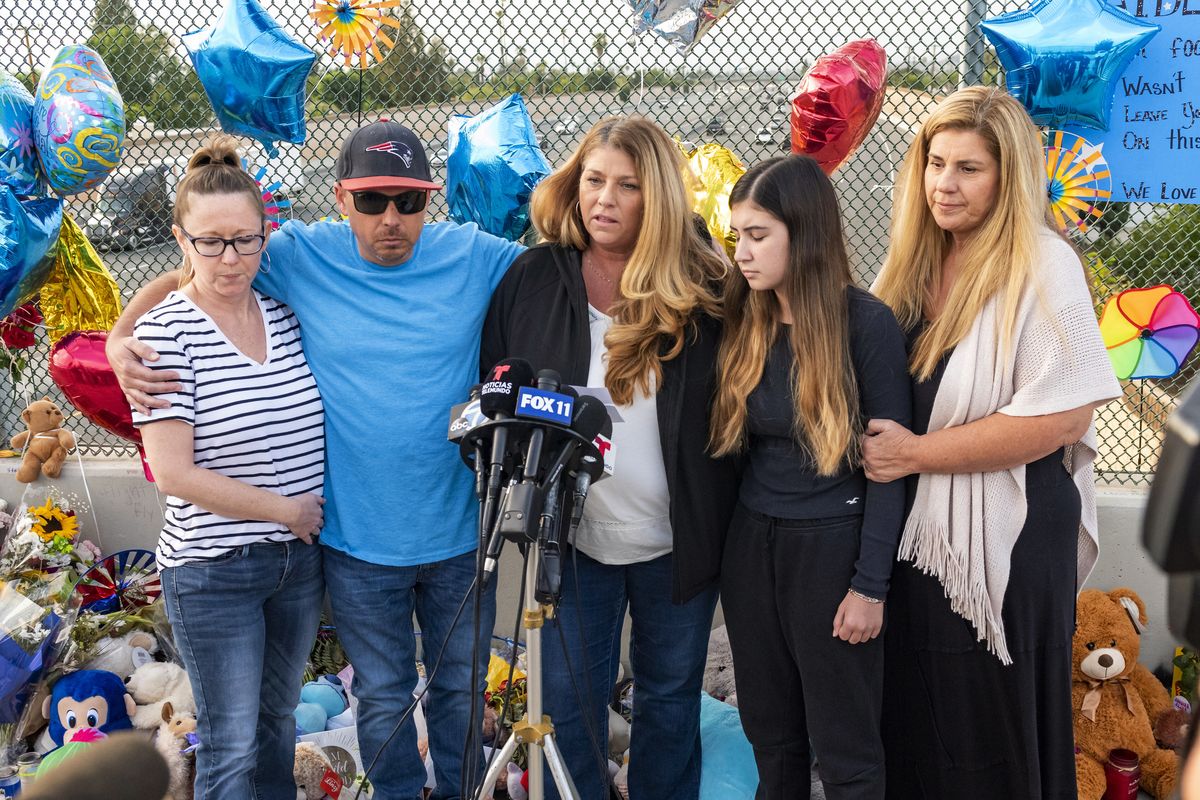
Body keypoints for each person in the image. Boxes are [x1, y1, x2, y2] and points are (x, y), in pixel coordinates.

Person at [109, 121, 526, 799]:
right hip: (355, 543)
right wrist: (120, 338)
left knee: (457, 693)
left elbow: (565, 270)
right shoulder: (302, 254)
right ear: (340, 198)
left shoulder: (473, 253)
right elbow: (198, 267)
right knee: (383, 699)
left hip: (457, 532)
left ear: (433, 198)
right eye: (371, 201)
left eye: (409, 201)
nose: (390, 219)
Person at [863, 86, 1122, 797]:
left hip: (1007, 541)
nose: (945, 183)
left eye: (969, 168)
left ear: (1008, 176)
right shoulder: (913, 264)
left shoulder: (1043, 263)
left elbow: (1063, 419)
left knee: (992, 732)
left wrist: (914, 455)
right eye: (935, 163)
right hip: (921, 537)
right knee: (919, 720)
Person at [480, 115, 739, 800]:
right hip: (576, 544)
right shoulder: (533, 276)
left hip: (676, 546)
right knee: (567, 707)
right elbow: (493, 394)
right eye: (594, 180)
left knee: (669, 705)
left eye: (627, 186)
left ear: (656, 197)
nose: (605, 199)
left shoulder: (705, 286)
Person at [708, 155, 910, 799]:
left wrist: (870, 586)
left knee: (845, 747)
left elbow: (890, 466)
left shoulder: (866, 324)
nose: (742, 251)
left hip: (832, 550)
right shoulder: (746, 318)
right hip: (752, 548)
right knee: (772, 738)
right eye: (737, 234)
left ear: (806, 231)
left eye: (759, 235)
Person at [131, 136, 326, 799]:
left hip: (294, 565)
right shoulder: (165, 335)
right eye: (210, 242)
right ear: (181, 240)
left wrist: (293, 526)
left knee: (277, 720)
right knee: (232, 739)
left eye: (244, 240)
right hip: (215, 572)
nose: (230, 257)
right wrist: (286, 510)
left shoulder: (283, 316)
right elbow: (174, 473)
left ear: (264, 235)